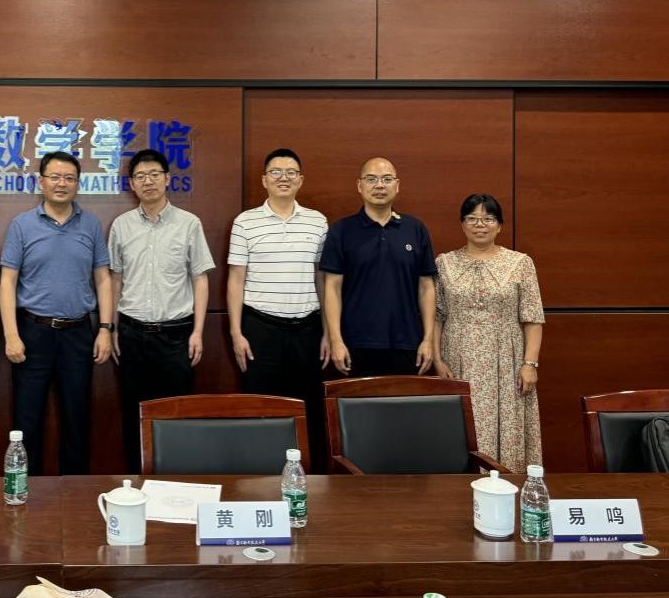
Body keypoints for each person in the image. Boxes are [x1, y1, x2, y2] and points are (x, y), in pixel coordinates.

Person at [0, 151, 114, 475]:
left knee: (77, 419)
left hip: (78, 333)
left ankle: (75, 490)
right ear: (41, 182)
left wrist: (105, 328)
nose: (61, 183)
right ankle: (26, 490)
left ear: (77, 184)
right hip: (32, 333)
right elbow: (7, 282)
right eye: (55, 177)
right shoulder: (22, 225)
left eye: (69, 178)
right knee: (27, 421)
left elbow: (103, 279)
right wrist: (11, 335)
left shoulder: (90, 224)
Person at [108, 149, 215, 472]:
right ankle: (136, 481)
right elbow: (115, 280)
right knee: (133, 412)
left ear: (167, 179)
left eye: (154, 174)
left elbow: (200, 279)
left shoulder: (189, 224)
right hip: (131, 333)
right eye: (140, 176)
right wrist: (112, 328)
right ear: (132, 184)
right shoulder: (121, 226)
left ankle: (176, 481)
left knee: (176, 413)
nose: (148, 181)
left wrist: (198, 331)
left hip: (176, 335)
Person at [227, 148, 329, 462]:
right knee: (261, 405)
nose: (283, 178)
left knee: (307, 407)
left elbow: (322, 279)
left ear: (301, 179)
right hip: (260, 329)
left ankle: (307, 476)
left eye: (290, 172)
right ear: (264, 180)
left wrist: (328, 332)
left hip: (307, 328)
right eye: (276, 172)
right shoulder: (245, 222)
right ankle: (260, 473)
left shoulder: (318, 222)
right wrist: (236, 333)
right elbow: (235, 280)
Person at [434, 194, 545, 473]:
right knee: (462, 427)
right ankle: (460, 492)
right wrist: (437, 359)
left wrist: (530, 364)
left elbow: (532, 318)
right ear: (462, 224)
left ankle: (506, 488)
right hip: (457, 358)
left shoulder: (520, 263)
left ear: (500, 226)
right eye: (472, 218)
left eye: (488, 219)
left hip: (507, 362)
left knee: (507, 431)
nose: (480, 225)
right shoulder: (444, 264)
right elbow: (437, 316)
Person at [320, 157, 435, 378]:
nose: (379, 185)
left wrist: (427, 340)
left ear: (397, 185)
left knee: (403, 401)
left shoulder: (415, 229)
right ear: (359, 185)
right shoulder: (341, 230)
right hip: (354, 344)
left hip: (407, 343)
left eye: (386, 179)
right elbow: (332, 289)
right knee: (355, 402)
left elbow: (426, 287)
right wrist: (336, 340)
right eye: (371, 179)